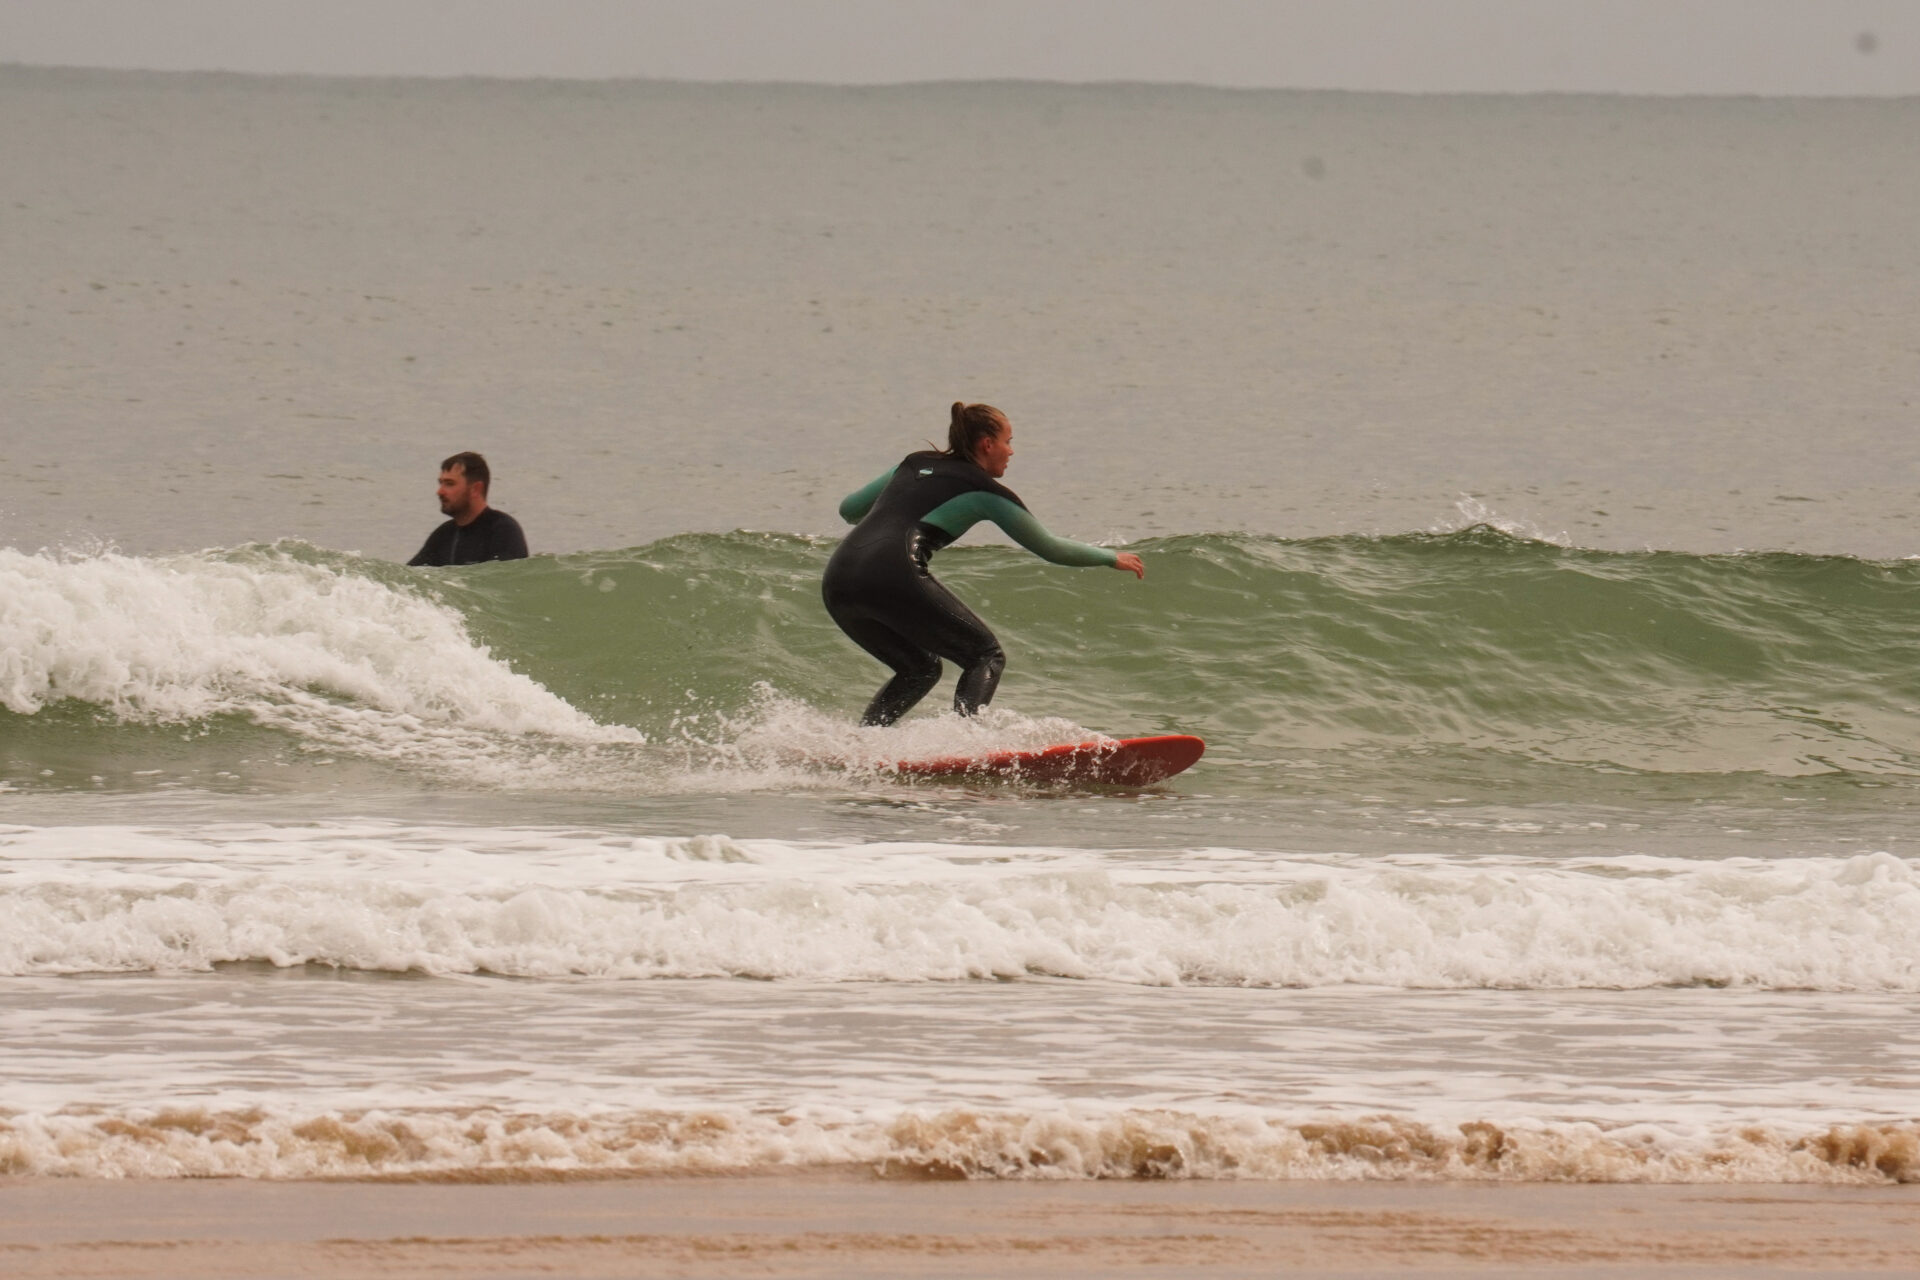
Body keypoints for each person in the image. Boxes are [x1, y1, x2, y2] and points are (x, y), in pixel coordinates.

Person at [823, 401, 1145, 726]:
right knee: (986, 655)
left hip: (838, 579)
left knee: (920, 669)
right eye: (1008, 441)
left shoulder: (914, 463)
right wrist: (1110, 557)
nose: (1011, 451)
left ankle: (864, 741)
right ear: (987, 444)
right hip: (892, 573)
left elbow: (849, 510)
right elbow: (1050, 548)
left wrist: (898, 506)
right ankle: (966, 741)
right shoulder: (983, 490)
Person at [407, 451, 529, 567]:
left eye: (449, 484)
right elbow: (409, 575)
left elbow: (507, 577)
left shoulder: (503, 530)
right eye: (441, 483)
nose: (440, 492)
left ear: (475, 489)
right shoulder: (443, 535)